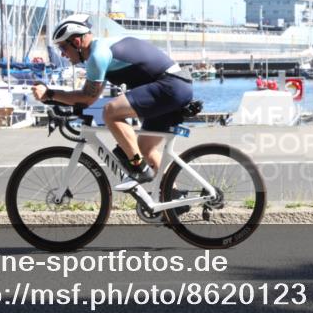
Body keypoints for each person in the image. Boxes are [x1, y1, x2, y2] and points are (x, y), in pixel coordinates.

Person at [32, 14, 193, 191]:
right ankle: (174, 198)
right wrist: (53, 95)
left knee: (110, 111)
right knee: (145, 149)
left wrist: (50, 94)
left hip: (170, 86)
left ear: (76, 42)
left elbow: (87, 98)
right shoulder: (101, 49)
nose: (62, 53)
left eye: (63, 47)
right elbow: (88, 96)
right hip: (175, 86)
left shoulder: (98, 55)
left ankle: (138, 168)